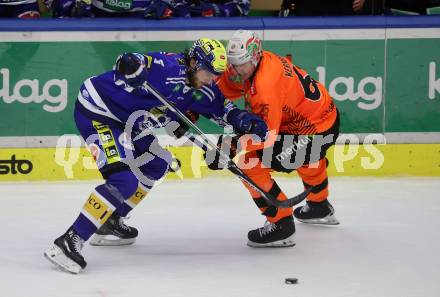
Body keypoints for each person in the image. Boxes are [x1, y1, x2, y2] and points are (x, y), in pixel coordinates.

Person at [44, 38, 267, 274]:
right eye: (208, 73)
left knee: (156, 164)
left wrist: (243, 120)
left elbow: (223, 110)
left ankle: (111, 221)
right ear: (193, 62)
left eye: (215, 75)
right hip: (100, 113)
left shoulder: (203, 87)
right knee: (123, 181)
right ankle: (70, 240)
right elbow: (128, 61)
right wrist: (131, 66)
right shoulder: (166, 66)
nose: (211, 80)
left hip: (130, 122)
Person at [214, 30, 340, 248]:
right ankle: (319, 205)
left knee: (248, 164)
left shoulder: (265, 87)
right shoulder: (259, 62)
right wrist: (198, 100)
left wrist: (232, 145)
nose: (235, 69)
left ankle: (281, 223)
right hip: (323, 119)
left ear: (254, 57)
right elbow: (226, 86)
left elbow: (266, 136)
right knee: (305, 153)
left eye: (240, 64)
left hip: (315, 131)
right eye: (233, 63)